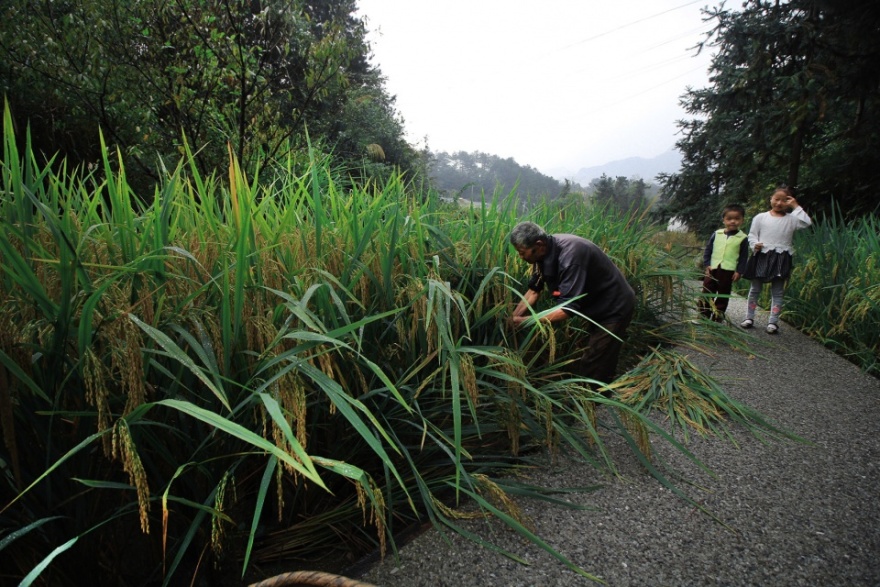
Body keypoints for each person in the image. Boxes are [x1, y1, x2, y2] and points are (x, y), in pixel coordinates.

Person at [509, 221, 636, 386]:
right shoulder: (543, 254)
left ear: (539, 245)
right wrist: (513, 318)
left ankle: (592, 403)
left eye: (521, 252)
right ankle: (601, 387)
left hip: (613, 307)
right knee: (599, 354)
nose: (520, 257)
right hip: (594, 305)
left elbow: (567, 309)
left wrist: (525, 322)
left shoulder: (570, 256)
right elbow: (534, 291)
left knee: (594, 360)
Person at [740, 186, 812, 334]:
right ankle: (749, 318)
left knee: (778, 291)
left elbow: (807, 223)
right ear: (771, 199)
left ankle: (773, 322)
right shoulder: (760, 217)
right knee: (755, 289)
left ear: (789, 202)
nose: (779, 203)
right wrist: (755, 244)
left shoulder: (792, 220)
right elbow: (752, 235)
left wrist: (795, 206)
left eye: (784, 200)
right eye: (776, 199)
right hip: (762, 255)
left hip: (782, 257)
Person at [698, 203, 749, 322]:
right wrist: (707, 264)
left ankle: (717, 317)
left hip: (728, 271)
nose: (733, 221)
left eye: (737, 219)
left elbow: (743, 257)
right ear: (724, 220)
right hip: (713, 269)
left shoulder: (742, 238)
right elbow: (708, 250)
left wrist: (739, 271)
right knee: (707, 291)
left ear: (742, 220)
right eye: (729, 219)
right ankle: (703, 316)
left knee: (723, 294)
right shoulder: (717, 234)